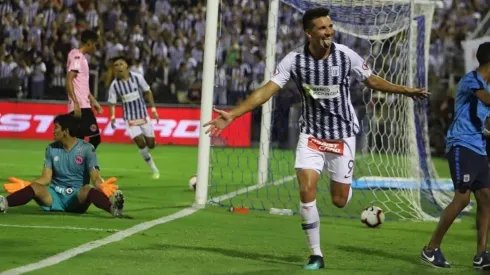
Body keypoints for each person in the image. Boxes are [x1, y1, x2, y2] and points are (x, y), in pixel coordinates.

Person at [203, 7, 428, 270]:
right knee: (306, 188)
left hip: (342, 135)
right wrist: (233, 115)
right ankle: (316, 254)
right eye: (322, 28)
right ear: (309, 33)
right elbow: (266, 91)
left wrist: (404, 90)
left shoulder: (346, 56)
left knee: (339, 200)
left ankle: (346, 185)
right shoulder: (294, 60)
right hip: (311, 134)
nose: (329, 32)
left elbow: (371, 80)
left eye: (330, 27)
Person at [420, 42, 490, 270]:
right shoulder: (472, 80)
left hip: (478, 147)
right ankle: (430, 249)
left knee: (487, 198)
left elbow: (478, 118)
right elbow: (486, 101)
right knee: (462, 199)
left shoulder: (486, 85)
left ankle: (481, 254)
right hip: (461, 145)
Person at [0, 114, 125, 217]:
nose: (53, 131)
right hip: (54, 196)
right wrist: (26, 185)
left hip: (76, 197)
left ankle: (113, 209)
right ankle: (4, 203)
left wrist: (101, 185)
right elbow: (46, 178)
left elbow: (95, 177)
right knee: (36, 187)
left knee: (87, 189)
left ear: (65, 131)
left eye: (56, 128)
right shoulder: (51, 148)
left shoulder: (87, 149)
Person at [107, 56, 160, 179]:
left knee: (151, 144)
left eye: (121, 64)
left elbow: (148, 91)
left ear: (126, 65)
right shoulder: (115, 85)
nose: (118, 67)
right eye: (116, 65)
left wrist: (153, 109)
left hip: (143, 115)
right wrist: (113, 116)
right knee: (140, 143)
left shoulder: (137, 78)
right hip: (129, 118)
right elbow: (112, 102)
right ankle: (154, 169)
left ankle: (147, 150)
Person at [66, 30, 103, 149]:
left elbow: (82, 85)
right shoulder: (77, 56)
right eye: (95, 44)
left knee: (79, 141)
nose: (95, 48)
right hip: (80, 106)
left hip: (83, 104)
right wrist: (76, 103)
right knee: (95, 138)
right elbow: (69, 80)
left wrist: (94, 101)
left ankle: (76, 164)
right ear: (89, 43)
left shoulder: (79, 56)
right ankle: (80, 163)